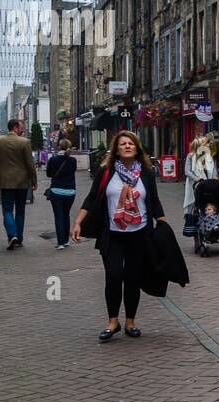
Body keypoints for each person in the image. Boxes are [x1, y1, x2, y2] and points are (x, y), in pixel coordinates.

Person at [70, 130, 168, 342]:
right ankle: (112, 321)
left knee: (133, 278)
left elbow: (154, 200)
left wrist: (162, 224)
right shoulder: (106, 171)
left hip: (139, 234)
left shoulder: (147, 173)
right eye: (123, 143)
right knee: (114, 275)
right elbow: (91, 198)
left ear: (137, 148)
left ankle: (130, 321)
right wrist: (78, 222)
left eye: (131, 143)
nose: (127, 146)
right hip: (112, 234)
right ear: (116, 148)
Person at [0, 118, 38, 249]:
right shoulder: (24, 142)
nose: (23, 130)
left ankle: (12, 235)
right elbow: (30, 164)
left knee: (7, 210)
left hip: (5, 181)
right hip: (22, 182)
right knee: (20, 210)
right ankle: (19, 238)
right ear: (15, 128)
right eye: (21, 127)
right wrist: (34, 181)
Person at [45, 139, 78, 249]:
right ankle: (66, 240)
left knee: (58, 216)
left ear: (59, 147)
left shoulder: (53, 160)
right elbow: (73, 171)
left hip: (56, 191)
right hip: (70, 192)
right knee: (66, 215)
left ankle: (60, 243)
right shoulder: (73, 160)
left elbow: (49, 174)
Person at [183, 136, 218, 231]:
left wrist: (215, 177)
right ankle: (194, 232)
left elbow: (214, 169)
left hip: (209, 183)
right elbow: (187, 171)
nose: (208, 145)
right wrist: (196, 178)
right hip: (196, 185)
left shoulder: (209, 156)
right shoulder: (190, 156)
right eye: (205, 143)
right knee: (194, 208)